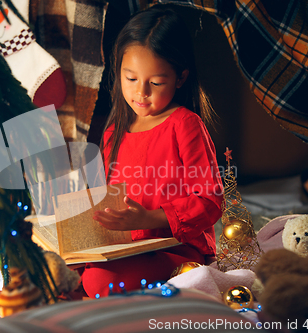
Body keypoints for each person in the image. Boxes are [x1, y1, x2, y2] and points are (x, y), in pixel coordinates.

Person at [81, 5, 223, 298]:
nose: (140, 92)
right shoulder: (113, 132)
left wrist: (150, 219)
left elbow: (210, 201)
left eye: (156, 83)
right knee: (68, 270)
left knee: (98, 283)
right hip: (131, 248)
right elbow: (115, 201)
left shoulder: (185, 124)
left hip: (178, 250)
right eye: (130, 79)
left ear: (180, 78)